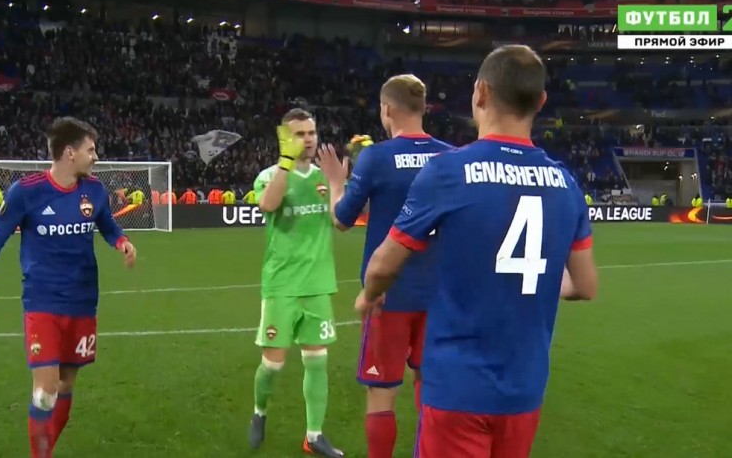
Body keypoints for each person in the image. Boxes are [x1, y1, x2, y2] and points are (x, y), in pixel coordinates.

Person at [358, 45, 599, 458]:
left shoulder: (449, 170)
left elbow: (382, 265)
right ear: (541, 101)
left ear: (481, 92)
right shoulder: (565, 182)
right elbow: (586, 285)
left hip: (458, 387)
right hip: (524, 390)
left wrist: (370, 294)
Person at [0, 117, 138, 458]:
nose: (96, 156)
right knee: (45, 391)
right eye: (90, 149)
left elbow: (107, 224)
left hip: (83, 300)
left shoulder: (94, 190)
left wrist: (121, 241)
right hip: (42, 300)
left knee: (66, 383)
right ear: (69, 153)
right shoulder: (26, 192)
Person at [317, 74, 454, 458]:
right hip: (439, 295)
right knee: (432, 388)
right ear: (423, 108)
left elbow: (342, 219)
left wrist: (336, 183)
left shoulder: (377, 157)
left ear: (387, 109)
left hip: (387, 293)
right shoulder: (451, 157)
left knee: (381, 393)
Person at [247, 108, 344, 457]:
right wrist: (286, 164)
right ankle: (259, 412)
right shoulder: (269, 176)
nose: (308, 139)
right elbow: (268, 204)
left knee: (317, 360)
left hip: (318, 283)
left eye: (311, 133)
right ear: (285, 138)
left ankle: (314, 435)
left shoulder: (323, 177)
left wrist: (337, 183)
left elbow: (339, 221)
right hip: (282, 285)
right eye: (300, 134)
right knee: (272, 364)